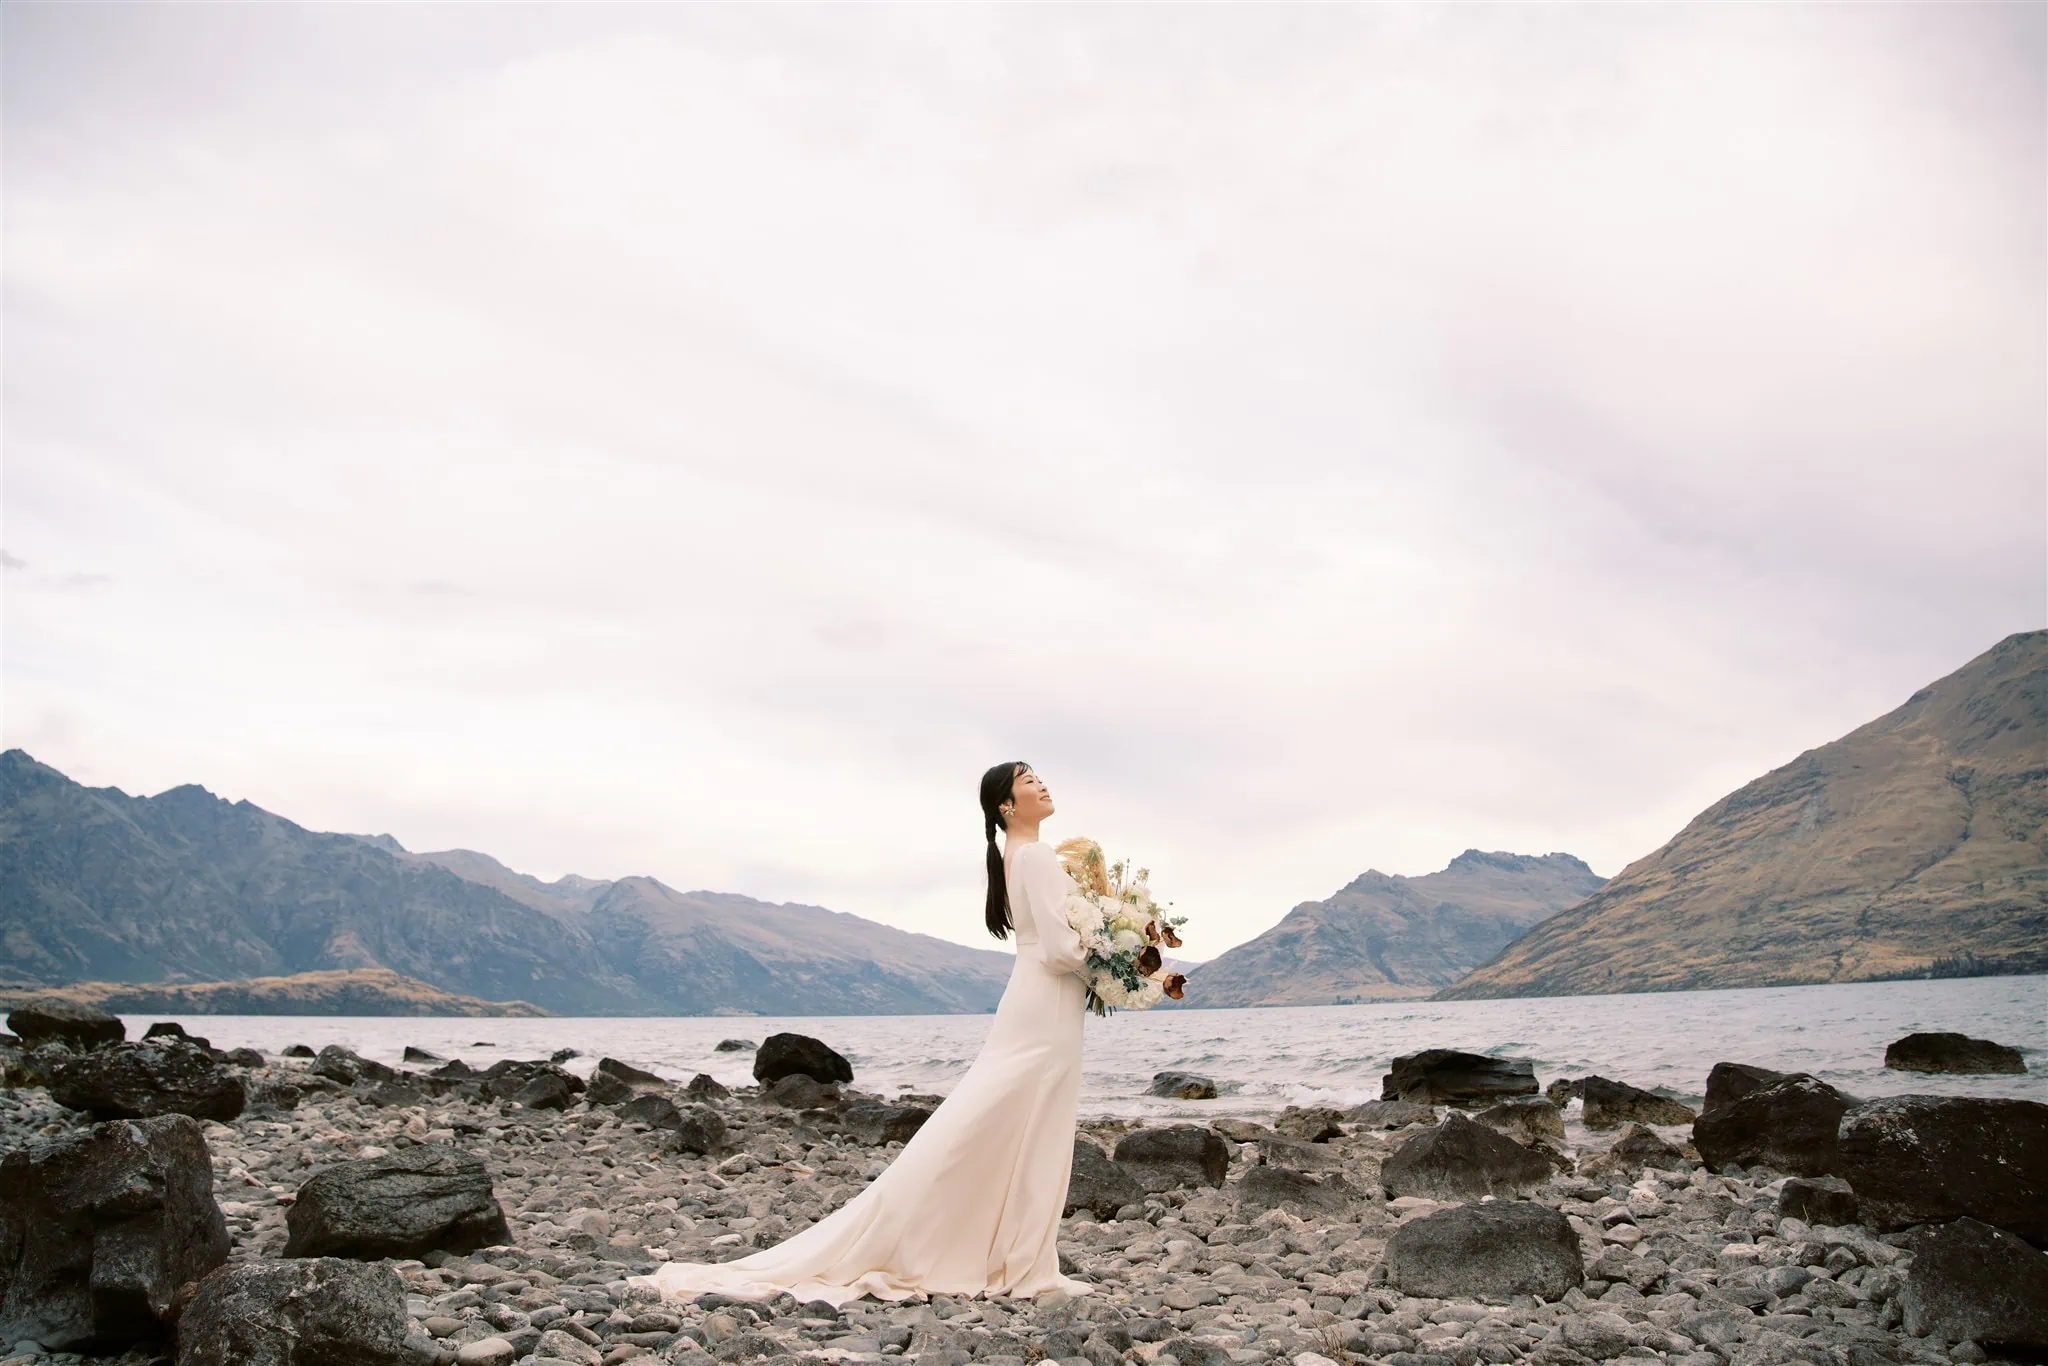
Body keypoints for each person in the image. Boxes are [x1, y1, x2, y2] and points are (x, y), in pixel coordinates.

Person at [623, 760, 1096, 1307]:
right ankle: (1024, 1264)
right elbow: (1062, 950)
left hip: (1035, 1002)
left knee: (1005, 1125)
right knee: (1029, 1130)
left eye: (1039, 774)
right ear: (1006, 806)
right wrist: (1116, 967)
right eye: (1028, 780)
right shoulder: (1034, 854)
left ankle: (1016, 1255)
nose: (1042, 783)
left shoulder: (1021, 854)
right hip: (1045, 1006)